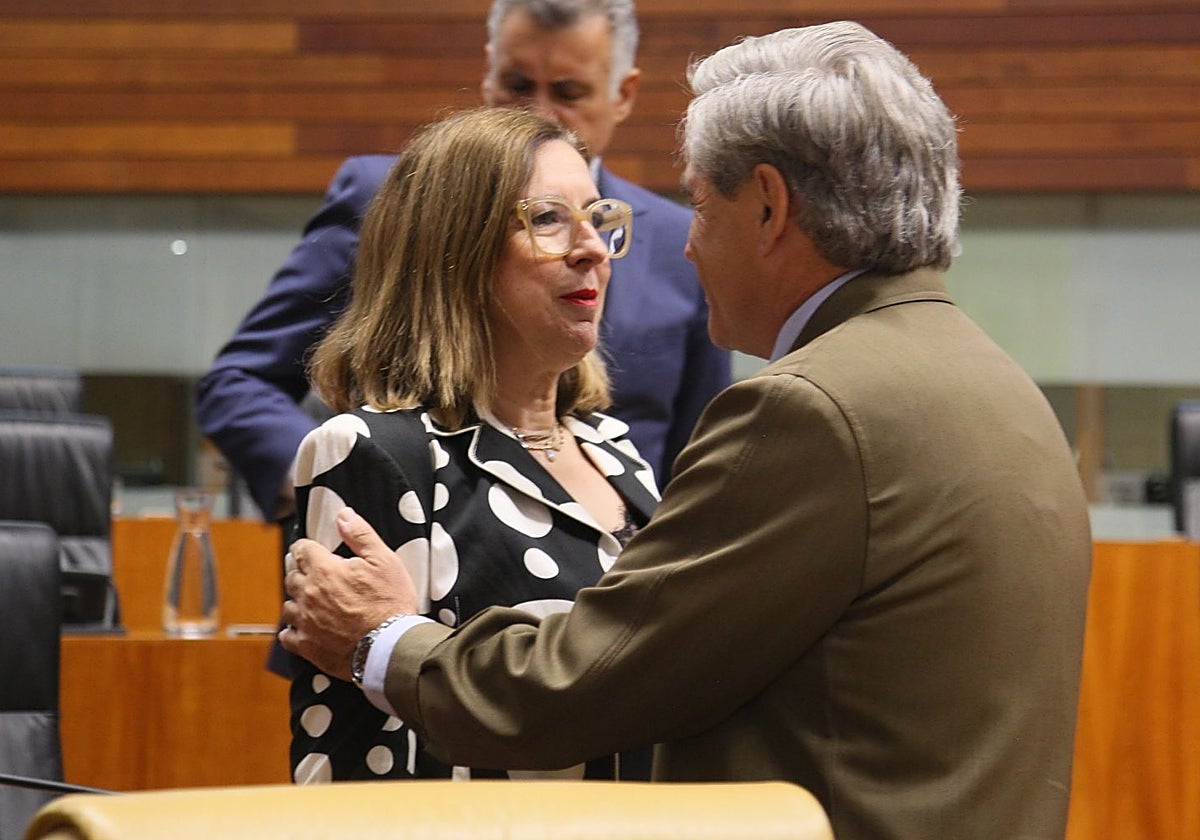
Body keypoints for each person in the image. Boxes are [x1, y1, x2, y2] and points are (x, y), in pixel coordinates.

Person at [280, 21, 1092, 840]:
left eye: (699, 206)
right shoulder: (1005, 390)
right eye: (550, 219)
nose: (679, 248)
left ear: (769, 206)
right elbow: (352, 764)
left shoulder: (799, 413)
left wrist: (386, 642)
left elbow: (596, 681)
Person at [195, 0, 729, 525]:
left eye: (568, 92)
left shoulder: (677, 240)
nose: (538, 114)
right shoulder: (395, 200)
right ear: (488, 71)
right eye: (517, 85)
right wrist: (341, 485)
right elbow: (242, 381)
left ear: (623, 94)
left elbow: (699, 462)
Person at [288, 106, 660, 784]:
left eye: (597, 218)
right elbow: (355, 755)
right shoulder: (376, 451)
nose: (593, 250)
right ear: (453, 253)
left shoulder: (616, 452)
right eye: (548, 219)